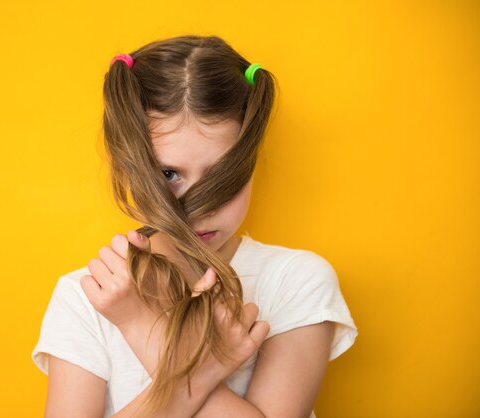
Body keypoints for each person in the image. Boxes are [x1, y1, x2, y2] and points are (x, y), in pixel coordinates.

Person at [31, 35, 358, 418]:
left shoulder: (295, 280)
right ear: (128, 167)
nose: (201, 206)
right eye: (169, 173)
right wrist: (199, 368)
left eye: (223, 174)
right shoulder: (88, 296)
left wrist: (143, 328)